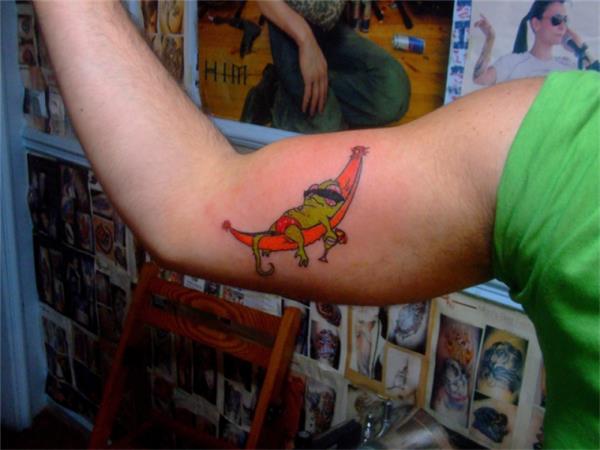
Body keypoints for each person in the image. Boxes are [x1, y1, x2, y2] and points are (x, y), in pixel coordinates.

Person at [33, 1, 598, 448]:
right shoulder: (572, 139)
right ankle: (276, 88)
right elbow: (189, 203)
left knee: (385, 91)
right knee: (315, 114)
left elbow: (212, 201)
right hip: (299, 177)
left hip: (322, 129)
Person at [245, 0, 410, 133]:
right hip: (292, 30)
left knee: (395, 94)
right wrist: (306, 40)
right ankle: (278, 100)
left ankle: (302, 89)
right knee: (328, 128)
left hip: (328, 28)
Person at [473, 0, 598, 86]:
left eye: (565, 20)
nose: (562, 27)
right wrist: (490, 38)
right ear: (536, 24)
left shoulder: (568, 67)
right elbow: (480, 78)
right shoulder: (512, 63)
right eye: (557, 20)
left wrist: (581, 49)